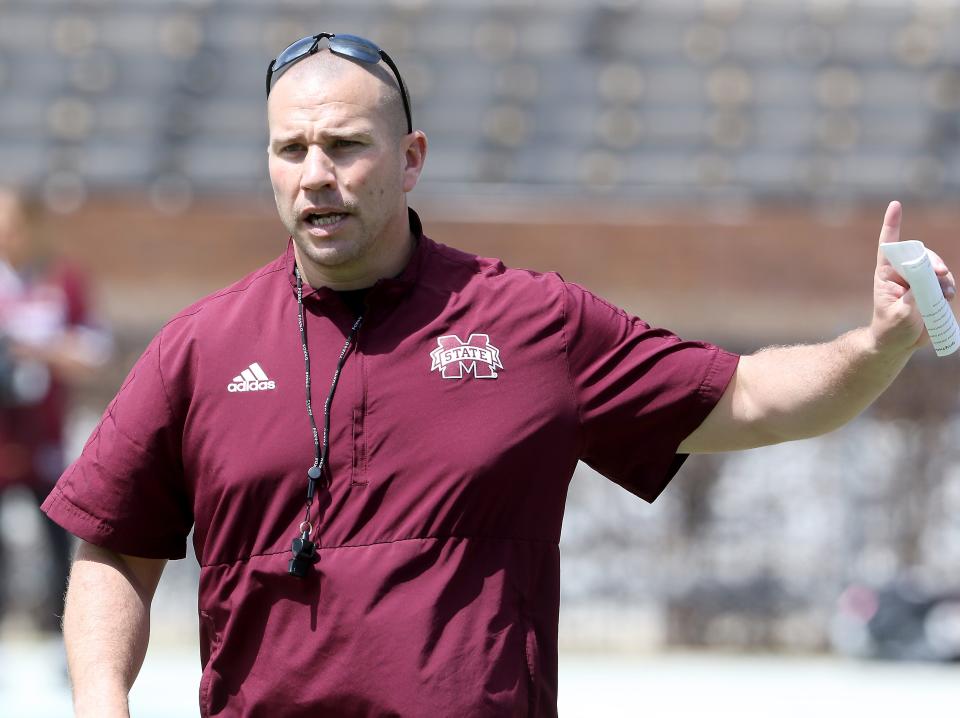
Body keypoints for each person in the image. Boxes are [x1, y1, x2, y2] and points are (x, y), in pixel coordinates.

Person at [41, 33, 955, 718]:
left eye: (347, 147)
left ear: (410, 160)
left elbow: (749, 398)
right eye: (292, 150)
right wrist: (101, 706)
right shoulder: (198, 347)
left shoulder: (532, 322)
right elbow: (114, 545)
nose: (317, 175)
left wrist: (875, 346)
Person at [0, 188, 110, 634]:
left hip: (42, 437)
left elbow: (94, 349)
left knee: (57, 540)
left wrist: (39, 350)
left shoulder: (61, 281)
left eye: (12, 224)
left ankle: (60, 636)